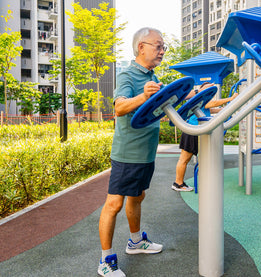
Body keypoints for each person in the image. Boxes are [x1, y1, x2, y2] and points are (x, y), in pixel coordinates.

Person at [97, 27, 166, 277]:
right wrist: (143, 95)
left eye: (162, 47)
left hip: (145, 153)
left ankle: (135, 242)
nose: (161, 51)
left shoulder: (153, 76)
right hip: (128, 153)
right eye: (157, 46)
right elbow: (120, 107)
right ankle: (105, 260)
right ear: (141, 47)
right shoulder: (128, 75)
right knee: (114, 204)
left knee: (137, 197)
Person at [172, 84, 238, 191]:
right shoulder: (200, 98)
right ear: (202, 89)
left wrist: (224, 109)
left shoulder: (203, 101)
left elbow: (209, 109)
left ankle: (197, 181)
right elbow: (212, 104)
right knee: (184, 159)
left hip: (198, 130)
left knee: (201, 158)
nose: (210, 89)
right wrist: (231, 98)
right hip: (192, 130)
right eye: (207, 88)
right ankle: (178, 183)